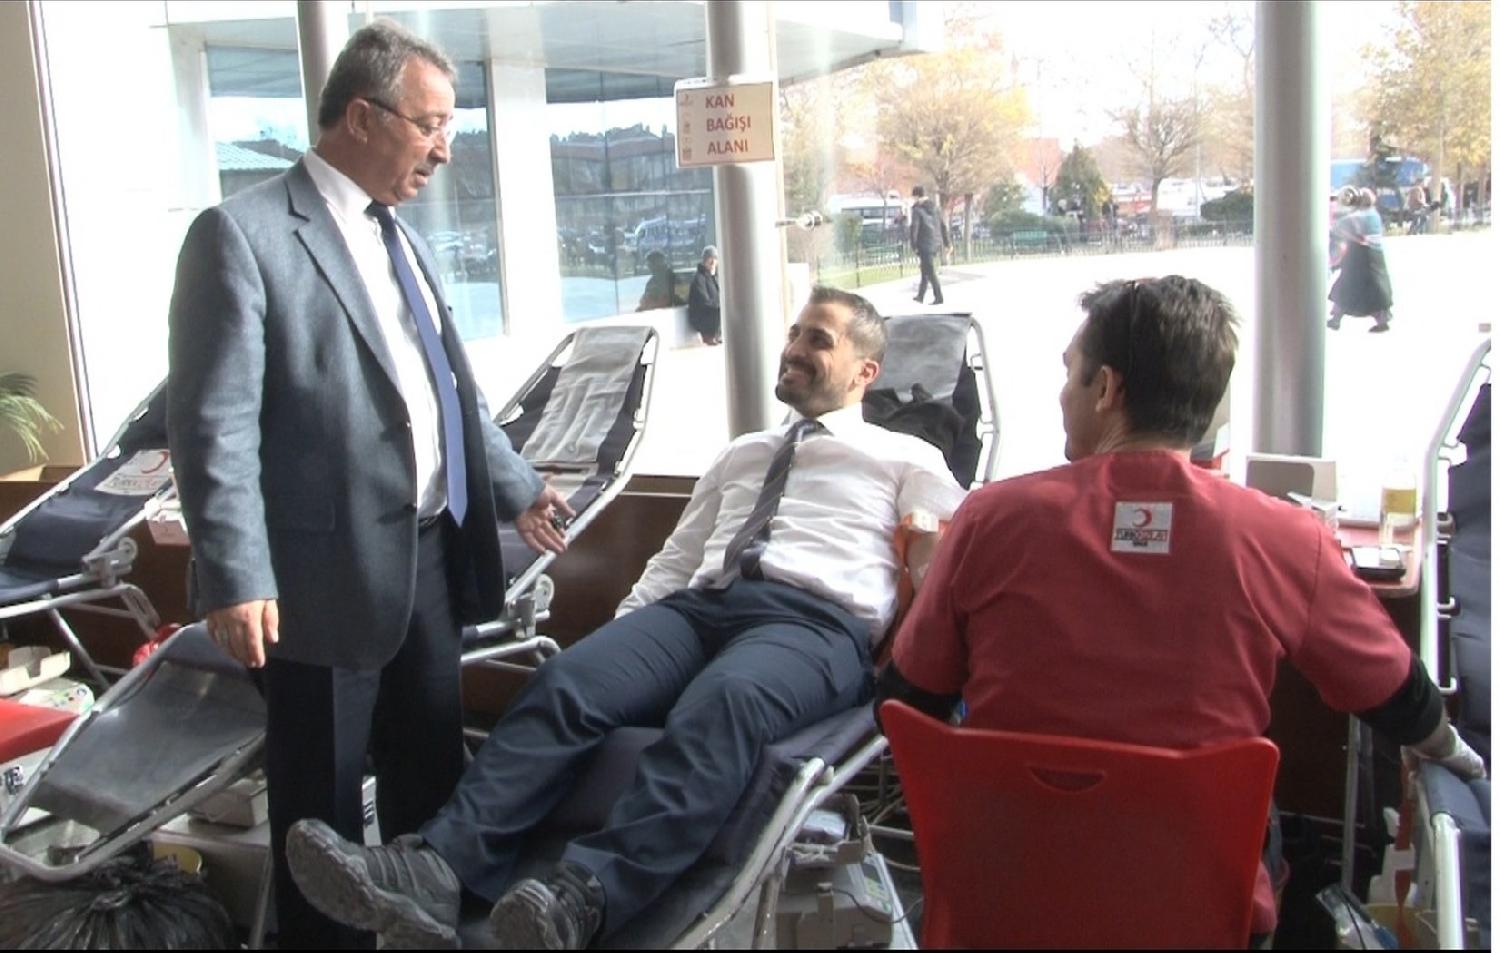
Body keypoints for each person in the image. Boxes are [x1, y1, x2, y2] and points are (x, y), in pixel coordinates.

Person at [285, 286, 967, 950]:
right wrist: (622, 641)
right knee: (570, 681)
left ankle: (585, 895)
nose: (793, 348)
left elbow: (944, 563)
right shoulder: (744, 452)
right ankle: (438, 869)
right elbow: (677, 559)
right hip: (699, 609)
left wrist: (920, 591)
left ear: (864, 372)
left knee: (724, 700)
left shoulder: (907, 458)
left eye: (818, 340)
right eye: (794, 332)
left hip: (814, 624)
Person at [876, 275, 1487, 942]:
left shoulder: (989, 518)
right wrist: (1459, 757)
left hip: (1001, 895)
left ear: (1106, 389)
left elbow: (909, 697)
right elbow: (1395, 695)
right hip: (1201, 909)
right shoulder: (1282, 537)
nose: (1062, 394)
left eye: (1070, 374)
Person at [165, 19, 572, 948]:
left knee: (432, 781)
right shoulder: (242, 235)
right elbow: (212, 425)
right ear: (362, 116)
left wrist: (515, 485)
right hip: (313, 580)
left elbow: (447, 392)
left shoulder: (403, 240)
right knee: (322, 808)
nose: (444, 148)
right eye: (430, 124)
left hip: (426, 558)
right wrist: (235, 574)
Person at [1328, 186, 1394, 333]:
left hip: (1359, 258)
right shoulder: (1374, 214)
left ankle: (1336, 319)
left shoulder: (1358, 216)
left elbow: (1338, 227)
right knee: (1375, 290)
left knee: (1346, 287)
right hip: (1376, 256)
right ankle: (1382, 319)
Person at [909, 185, 949, 305]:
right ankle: (920, 295)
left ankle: (939, 296)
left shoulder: (917, 210)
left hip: (924, 243)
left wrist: (914, 245)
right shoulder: (935, 208)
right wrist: (947, 243)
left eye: (914, 197)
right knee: (925, 269)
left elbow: (914, 228)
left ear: (916, 196)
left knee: (930, 271)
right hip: (935, 242)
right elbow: (943, 226)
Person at [687, 245, 721, 345]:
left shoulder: (713, 277)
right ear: (705, 260)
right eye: (710, 258)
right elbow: (704, 301)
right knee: (717, 310)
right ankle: (709, 336)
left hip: (709, 313)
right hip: (701, 316)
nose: (713, 262)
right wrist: (718, 305)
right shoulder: (699, 278)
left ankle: (717, 335)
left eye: (715, 259)